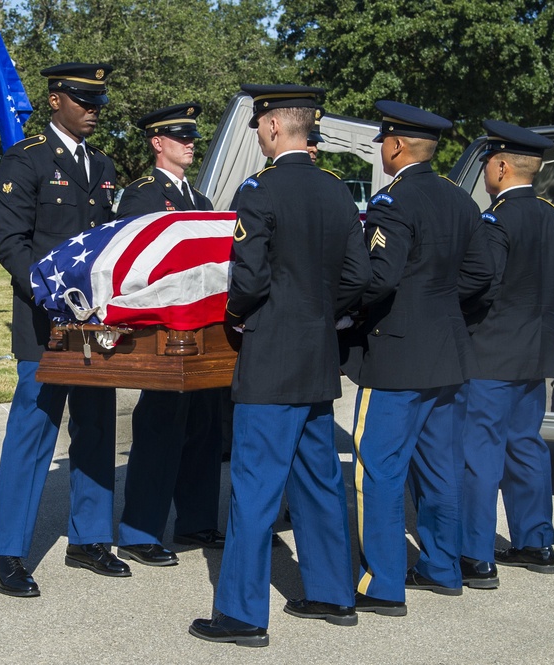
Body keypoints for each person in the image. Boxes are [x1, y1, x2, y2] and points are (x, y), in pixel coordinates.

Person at [189, 84, 371, 647]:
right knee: (317, 481)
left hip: (269, 356)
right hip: (317, 356)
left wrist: (240, 317)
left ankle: (242, 614)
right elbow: (358, 278)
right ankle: (332, 593)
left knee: (255, 485)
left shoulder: (258, 192)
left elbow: (248, 281)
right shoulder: (338, 193)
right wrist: (320, 314)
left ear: (271, 129)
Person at [344, 101, 494, 616]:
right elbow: (481, 274)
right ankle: (442, 568)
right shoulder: (460, 200)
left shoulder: (392, 201)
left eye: (383, 141)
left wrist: (350, 315)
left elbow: (379, 278)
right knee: (441, 468)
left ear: (396, 145)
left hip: (397, 352)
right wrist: (440, 306)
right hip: (447, 350)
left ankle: (381, 582)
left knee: (379, 469)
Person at [0, 62, 126, 598]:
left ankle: (89, 538)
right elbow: (10, 243)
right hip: (46, 322)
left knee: (96, 425)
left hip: (96, 323)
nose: (93, 110)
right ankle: (5, 554)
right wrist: (51, 295)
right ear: (54, 101)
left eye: (98, 102)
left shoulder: (103, 164)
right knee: (33, 431)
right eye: (83, 100)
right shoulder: (27, 159)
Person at [459, 120, 554, 588]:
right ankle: (536, 543)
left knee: (480, 454)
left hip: (491, 353)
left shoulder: (494, 219)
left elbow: (481, 283)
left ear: (500, 165)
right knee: (527, 446)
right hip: (534, 353)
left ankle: (475, 555)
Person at [114, 102, 225, 567]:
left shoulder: (199, 199)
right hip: (163, 331)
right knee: (160, 427)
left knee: (204, 425)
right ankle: (139, 530)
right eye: (181, 137)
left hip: (202, 332)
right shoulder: (141, 194)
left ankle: (196, 520)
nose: (190, 144)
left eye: (193, 137)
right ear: (158, 143)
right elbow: (139, 264)